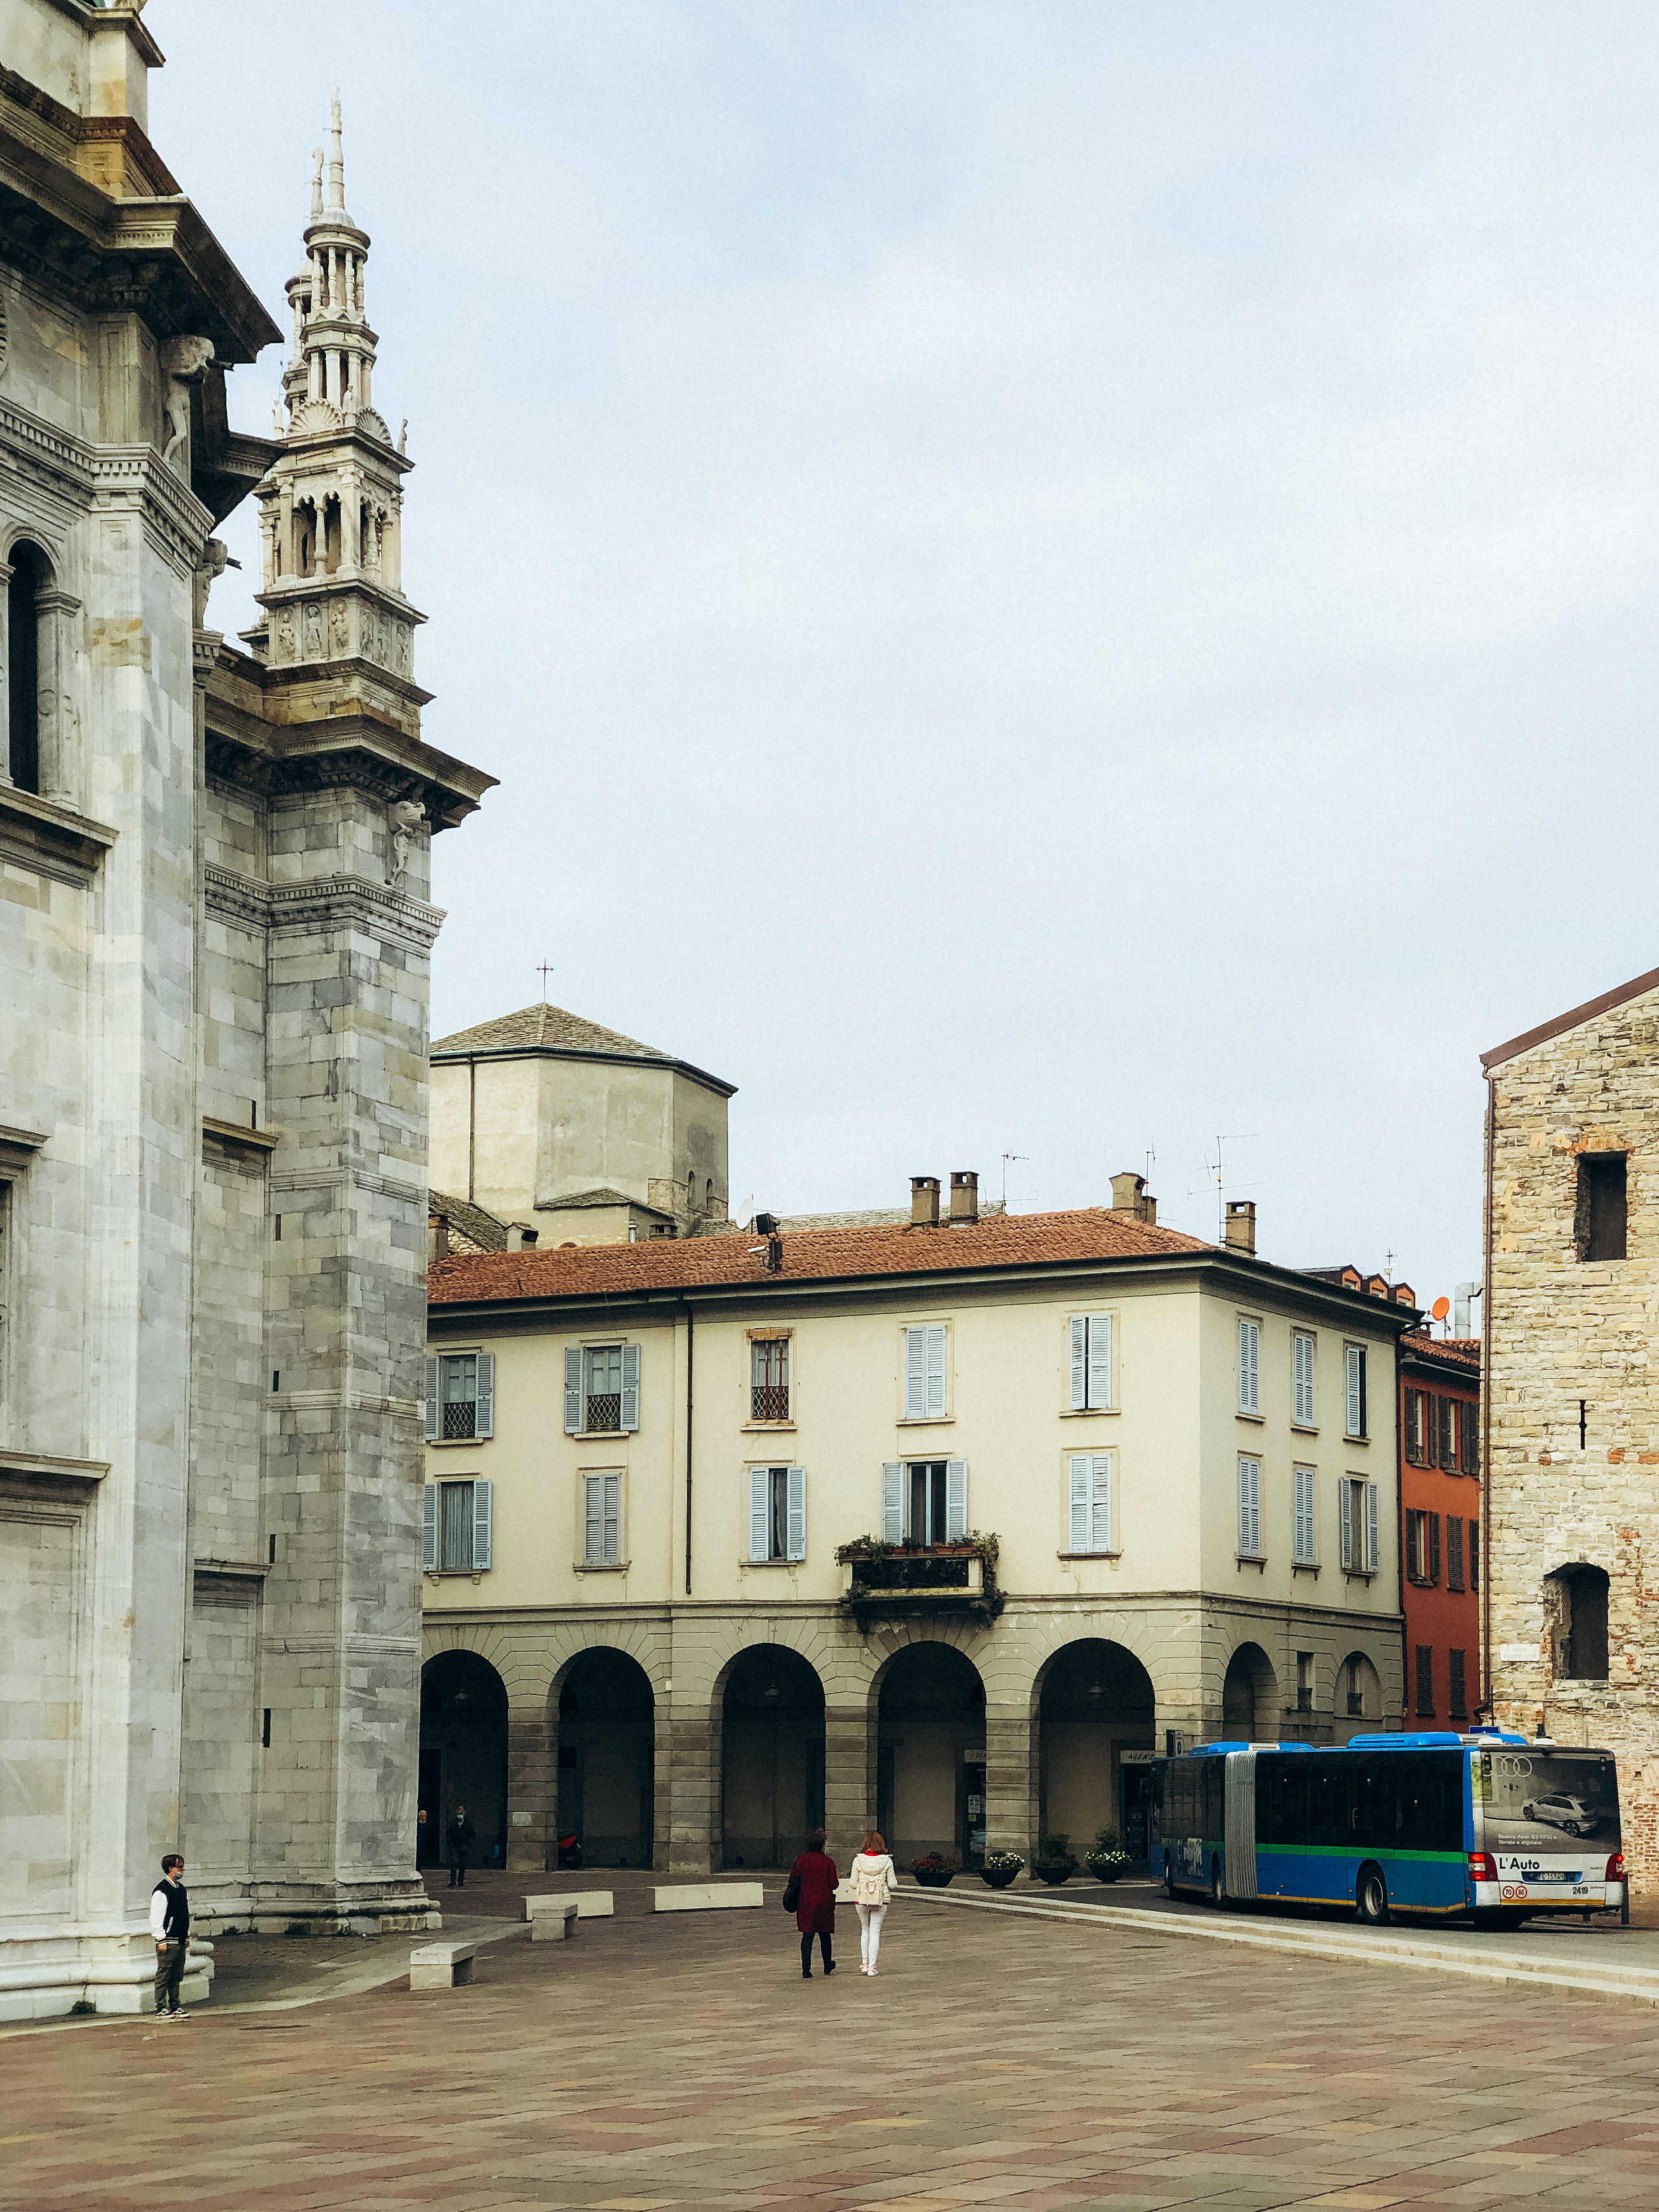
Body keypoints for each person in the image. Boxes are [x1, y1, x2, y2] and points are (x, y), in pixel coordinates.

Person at [789, 1828, 838, 1978]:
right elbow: (834, 1884)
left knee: (807, 1935)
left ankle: (806, 1970)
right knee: (825, 1935)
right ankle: (827, 1965)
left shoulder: (800, 1860)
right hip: (824, 1903)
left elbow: (792, 1879)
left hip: (805, 1902)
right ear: (823, 1845)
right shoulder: (828, 1862)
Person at [850, 1829, 898, 1975]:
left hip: (861, 1899)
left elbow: (852, 1884)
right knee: (875, 1932)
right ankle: (872, 1967)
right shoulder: (887, 1861)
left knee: (865, 1930)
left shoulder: (858, 1860)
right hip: (880, 1900)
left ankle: (864, 1964)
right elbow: (893, 1884)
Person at [150, 1854, 192, 2020]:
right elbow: (157, 1916)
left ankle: (175, 2005)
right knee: (164, 1974)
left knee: (176, 1975)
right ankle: (161, 2007)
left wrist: (186, 1936)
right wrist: (161, 1939)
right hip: (168, 1940)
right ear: (170, 1868)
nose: (182, 1870)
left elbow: (184, 1914)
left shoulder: (180, 1889)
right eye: (179, 1867)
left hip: (180, 1939)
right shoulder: (162, 1891)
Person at [446, 1803, 476, 1889]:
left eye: (461, 1813)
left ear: (464, 1813)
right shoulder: (453, 1824)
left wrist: (468, 1845)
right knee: (454, 1863)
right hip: (454, 1847)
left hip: (464, 1847)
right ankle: (452, 1881)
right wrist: (450, 1844)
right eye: (459, 1813)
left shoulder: (468, 1824)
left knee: (462, 1864)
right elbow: (448, 1834)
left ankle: (461, 1881)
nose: (460, 1815)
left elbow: (472, 1836)